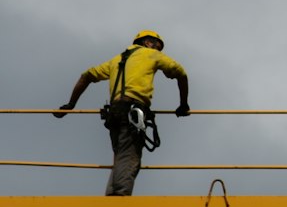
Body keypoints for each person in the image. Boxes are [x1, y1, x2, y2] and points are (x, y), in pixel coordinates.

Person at [53, 30, 190, 196]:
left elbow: (86, 76)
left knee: (120, 155)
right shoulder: (150, 54)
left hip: (115, 114)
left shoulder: (117, 60)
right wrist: (183, 105)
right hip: (133, 113)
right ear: (147, 42)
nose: (158, 51)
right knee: (129, 156)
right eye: (157, 46)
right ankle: (120, 198)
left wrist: (71, 104)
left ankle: (112, 196)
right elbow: (181, 74)